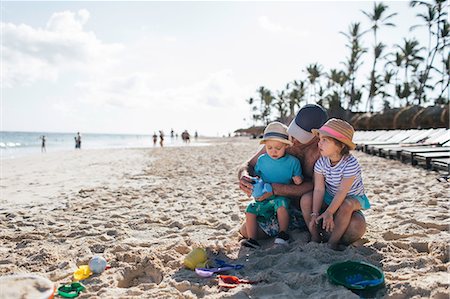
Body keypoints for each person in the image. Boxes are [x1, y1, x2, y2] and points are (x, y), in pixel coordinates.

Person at [238, 104, 366, 247]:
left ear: (317, 135)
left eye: (302, 136)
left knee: (356, 227)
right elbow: (249, 164)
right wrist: (244, 176)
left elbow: (317, 186)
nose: (294, 140)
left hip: (316, 207)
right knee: (247, 231)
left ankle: (314, 229)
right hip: (282, 208)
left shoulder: (323, 151)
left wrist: (276, 189)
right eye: (294, 131)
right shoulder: (282, 138)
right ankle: (294, 228)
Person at [308, 118, 370, 250]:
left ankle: (332, 242)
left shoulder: (350, 163)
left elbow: (343, 191)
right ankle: (315, 236)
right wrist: (314, 213)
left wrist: (329, 212)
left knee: (346, 204)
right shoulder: (321, 163)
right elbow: (319, 189)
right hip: (331, 196)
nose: (319, 143)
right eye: (320, 139)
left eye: (325, 140)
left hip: (353, 197)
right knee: (306, 199)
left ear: (341, 145)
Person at [241, 122, 303, 249]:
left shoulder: (293, 162)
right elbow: (256, 176)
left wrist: (298, 179)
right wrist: (253, 185)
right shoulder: (262, 160)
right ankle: (253, 240)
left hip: (281, 196)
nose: (273, 151)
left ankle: (283, 234)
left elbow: (298, 179)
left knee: (281, 202)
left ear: (286, 146)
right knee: (250, 209)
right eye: (269, 148)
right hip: (265, 198)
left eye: (278, 148)